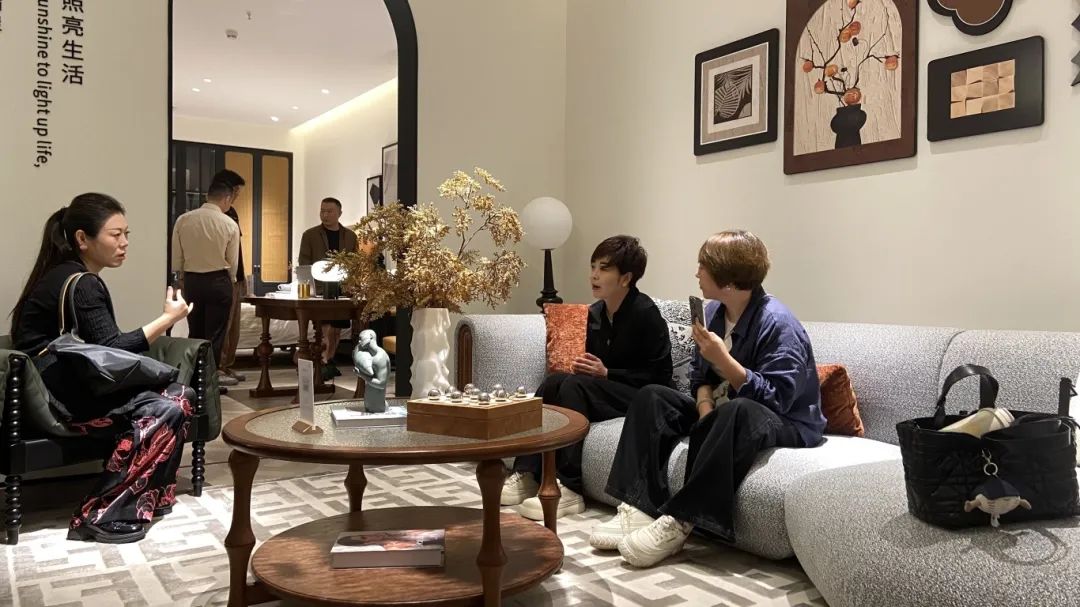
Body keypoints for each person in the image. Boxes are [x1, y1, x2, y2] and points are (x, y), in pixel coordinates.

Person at [587, 230, 826, 568]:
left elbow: (778, 399)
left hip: (786, 422)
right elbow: (701, 376)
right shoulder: (713, 312)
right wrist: (704, 410)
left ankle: (680, 521)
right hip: (722, 410)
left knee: (739, 410)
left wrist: (724, 361)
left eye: (702, 266)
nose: (696, 273)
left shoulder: (777, 323)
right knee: (652, 396)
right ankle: (639, 506)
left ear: (727, 277)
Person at [11, 193, 195, 544]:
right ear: (83, 238)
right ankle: (100, 513)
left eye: (127, 234)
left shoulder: (62, 274)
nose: (124, 243)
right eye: (115, 234)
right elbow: (113, 348)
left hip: (54, 387)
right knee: (169, 405)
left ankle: (150, 495)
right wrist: (168, 319)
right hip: (59, 399)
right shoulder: (82, 283)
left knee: (180, 394)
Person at [503, 235, 673, 521]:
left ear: (626, 278)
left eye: (604, 269)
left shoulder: (646, 314)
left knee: (575, 385)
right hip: (606, 391)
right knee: (554, 383)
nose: (594, 275)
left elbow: (659, 376)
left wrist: (607, 372)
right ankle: (528, 472)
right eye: (593, 266)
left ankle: (570, 487)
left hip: (643, 396)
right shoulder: (595, 313)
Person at [171, 170, 242, 382]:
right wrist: (231, 280)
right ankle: (210, 377)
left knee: (195, 329)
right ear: (226, 198)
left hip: (192, 280)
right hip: (218, 280)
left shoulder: (183, 220)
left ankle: (193, 375)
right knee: (216, 332)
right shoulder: (229, 223)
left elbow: (176, 255)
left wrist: (181, 277)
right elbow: (232, 262)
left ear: (206, 196)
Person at [298, 197, 359, 379]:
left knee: (337, 328)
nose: (325, 214)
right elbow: (304, 263)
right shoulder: (310, 235)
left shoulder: (350, 236)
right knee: (324, 327)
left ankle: (329, 359)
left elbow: (355, 263)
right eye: (322, 211)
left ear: (339, 213)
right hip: (319, 288)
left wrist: (353, 285)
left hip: (342, 287)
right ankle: (322, 360)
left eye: (329, 211)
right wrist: (307, 287)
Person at [217, 204, 247, 385]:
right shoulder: (217, 217)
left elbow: (237, 250)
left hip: (237, 277)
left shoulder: (233, 211)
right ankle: (219, 366)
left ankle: (227, 364)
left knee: (235, 326)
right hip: (226, 277)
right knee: (225, 324)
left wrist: (242, 278)